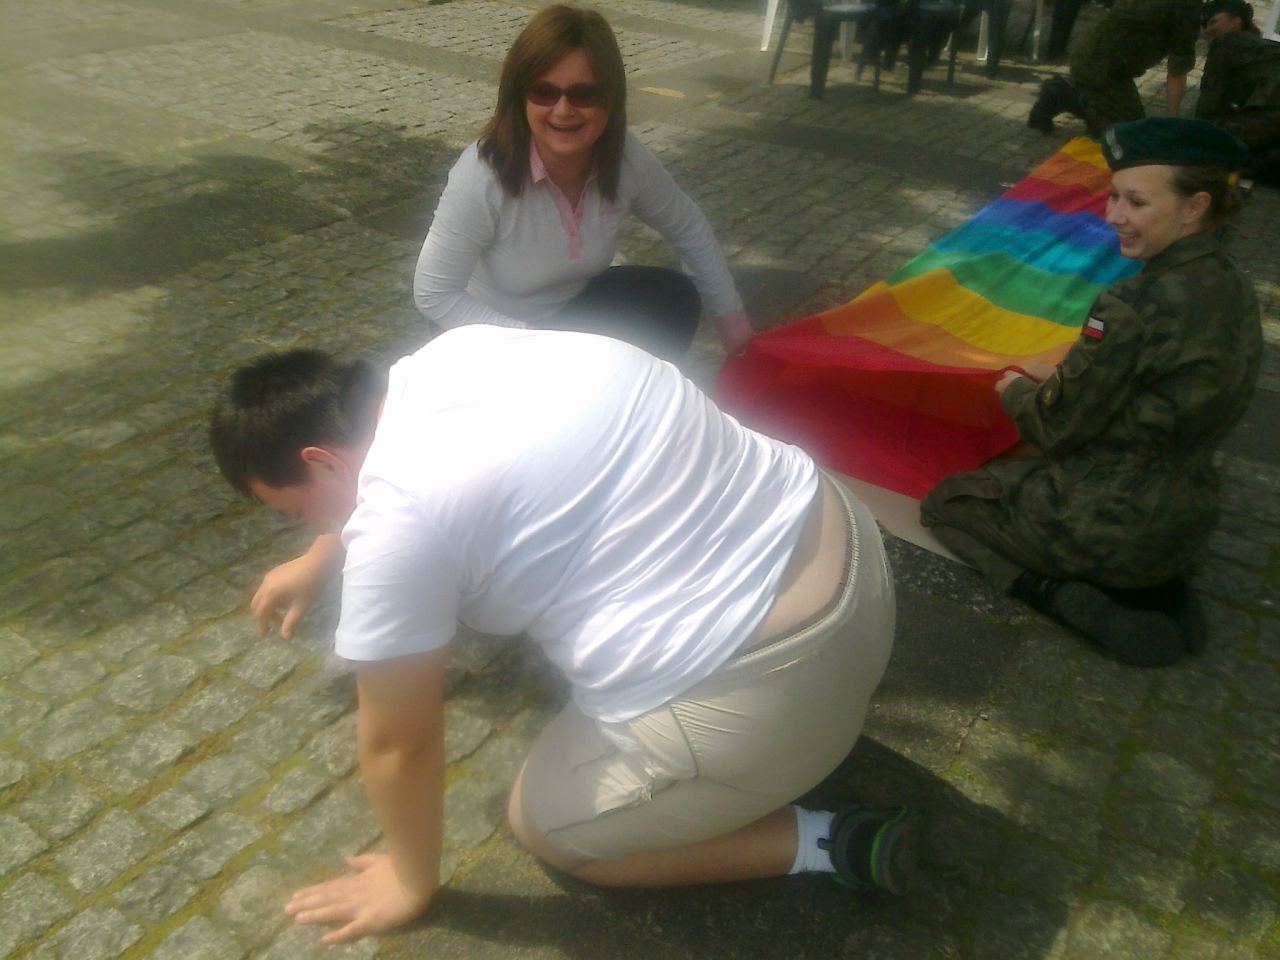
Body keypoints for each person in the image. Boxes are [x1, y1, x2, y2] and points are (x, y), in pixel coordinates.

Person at [209, 327, 911, 944]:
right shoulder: (459, 355)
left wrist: (409, 881)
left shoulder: (397, 525)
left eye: (297, 511)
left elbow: (400, 742)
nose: (315, 526)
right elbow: (434, 482)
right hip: (856, 566)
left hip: (779, 696)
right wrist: (325, 552)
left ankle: (828, 842)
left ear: (321, 461)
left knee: (546, 827)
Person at [921, 117, 1260, 668]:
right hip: (1185, 519)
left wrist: (1014, 389)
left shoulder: (1129, 305)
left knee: (945, 502)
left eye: (1136, 202)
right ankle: (1161, 589)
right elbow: (1156, 393)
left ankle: (1059, 596)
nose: (1114, 216)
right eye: (1115, 196)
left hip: (1101, 523)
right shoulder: (1234, 285)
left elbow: (1054, 428)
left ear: (1195, 207)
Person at [412, 5, 751, 362]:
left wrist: (733, 324)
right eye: (544, 92)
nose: (563, 110)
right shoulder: (483, 174)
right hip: (490, 333)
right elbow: (434, 293)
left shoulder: (625, 158)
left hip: (570, 316)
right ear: (519, 96)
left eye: (584, 94)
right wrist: (539, 350)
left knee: (673, 297)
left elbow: (687, 227)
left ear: (611, 98)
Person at [1027, 0, 1200, 136]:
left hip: (1101, 59)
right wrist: (1172, 121)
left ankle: (1072, 92)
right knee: (1126, 134)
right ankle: (1061, 94)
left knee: (1133, 124)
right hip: (1101, 68)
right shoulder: (1185, 6)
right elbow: (1178, 70)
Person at [1195, 0, 1280, 183]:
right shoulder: (1258, 46)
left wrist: (1196, 136)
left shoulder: (1225, 43)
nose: (1208, 30)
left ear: (1237, 21)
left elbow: (1210, 102)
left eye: (1213, 22)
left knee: (1213, 142)